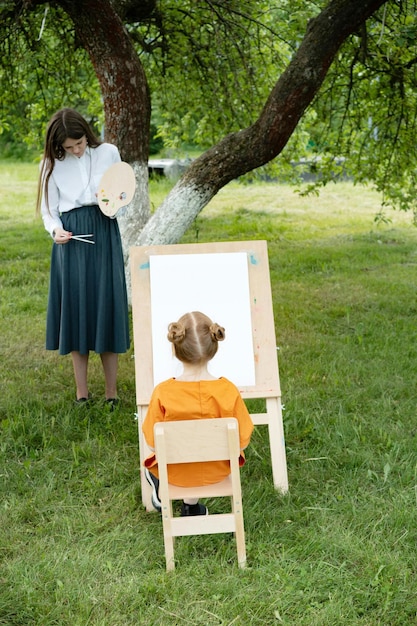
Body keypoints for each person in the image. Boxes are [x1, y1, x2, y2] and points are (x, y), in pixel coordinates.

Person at [36, 108, 130, 405]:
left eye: (79, 143)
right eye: (68, 147)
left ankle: (111, 394)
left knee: (107, 302)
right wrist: (56, 230)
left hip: (104, 231)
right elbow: (49, 210)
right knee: (77, 309)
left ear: (86, 135)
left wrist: (115, 208)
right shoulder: (50, 164)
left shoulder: (108, 153)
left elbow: (122, 196)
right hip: (72, 238)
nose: (76, 150)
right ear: (58, 146)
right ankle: (82, 394)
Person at [142, 311, 254, 516]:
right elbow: (242, 442)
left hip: (175, 471)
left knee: (166, 455)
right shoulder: (228, 390)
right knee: (198, 457)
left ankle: (160, 484)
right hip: (217, 471)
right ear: (214, 348)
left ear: (175, 349)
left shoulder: (163, 392)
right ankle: (191, 507)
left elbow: (151, 443)